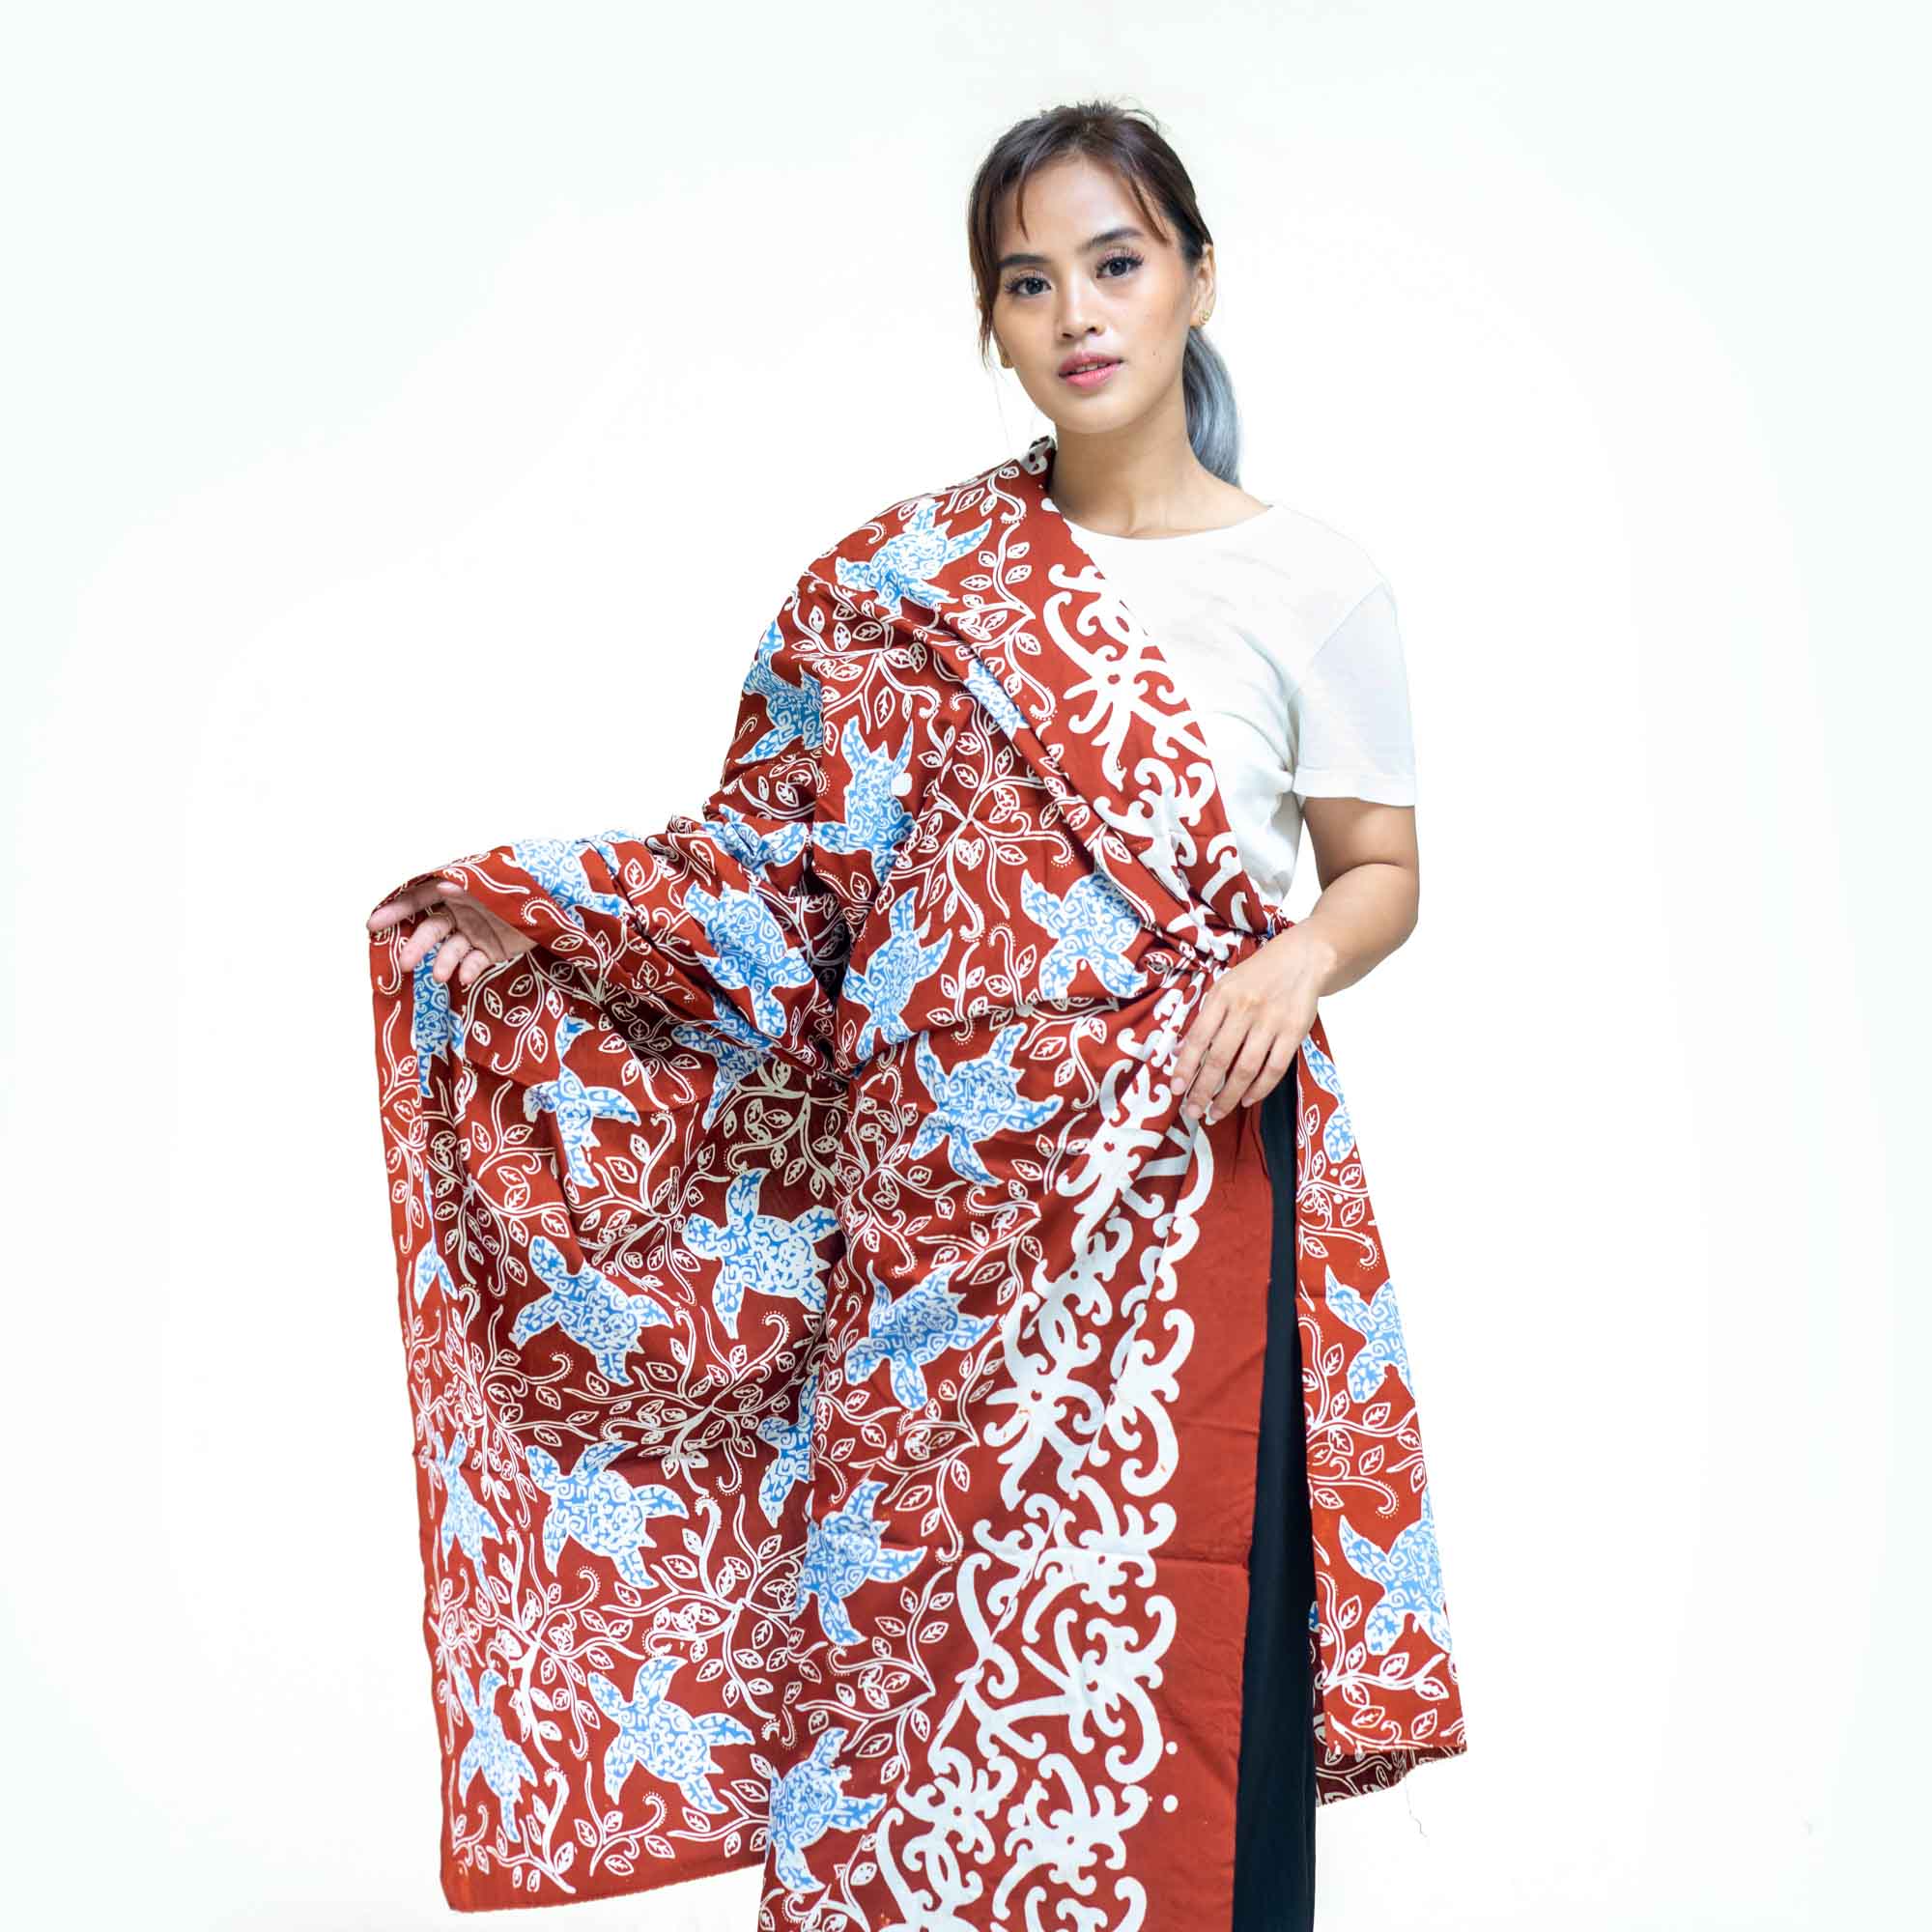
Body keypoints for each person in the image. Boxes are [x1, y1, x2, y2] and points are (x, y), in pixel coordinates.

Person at [364, 99, 1461, 1926]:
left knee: (1183, 1714)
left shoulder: (1315, 585)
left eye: (1116, 263)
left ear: (1197, 278)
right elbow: (772, 886)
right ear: (993, 321)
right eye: (1029, 283)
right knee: (907, 1731)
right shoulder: (898, 593)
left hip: (1182, 1209)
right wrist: (544, 918)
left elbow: (1381, 871)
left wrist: (1293, 961)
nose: (1078, 313)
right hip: (934, 1256)